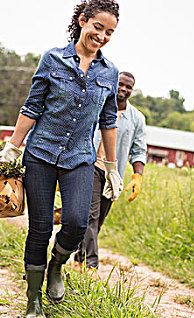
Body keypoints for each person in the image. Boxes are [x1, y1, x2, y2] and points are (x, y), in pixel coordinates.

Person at [0, 0, 122, 318]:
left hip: (79, 158)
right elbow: (33, 106)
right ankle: (34, 299)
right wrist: (13, 146)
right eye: (98, 27)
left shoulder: (110, 73)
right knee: (39, 228)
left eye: (110, 32)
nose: (103, 36)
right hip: (40, 154)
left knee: (78, 221)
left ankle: (56, 265)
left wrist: (111, 166)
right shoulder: (53, 58)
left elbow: (109, 121)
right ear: (83, 20)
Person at [73, 71, 147, 272]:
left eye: (128, 87)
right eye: (121, 84)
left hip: (113, 174)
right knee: (91, 216)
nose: (123, 89)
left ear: (132, 90)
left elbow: (139, 150)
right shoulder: (97, 107)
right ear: (114, 84)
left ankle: (79, 257)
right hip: (91, 166)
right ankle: (92, 266)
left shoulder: (136, 119)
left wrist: (137, 176)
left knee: (97, 222)